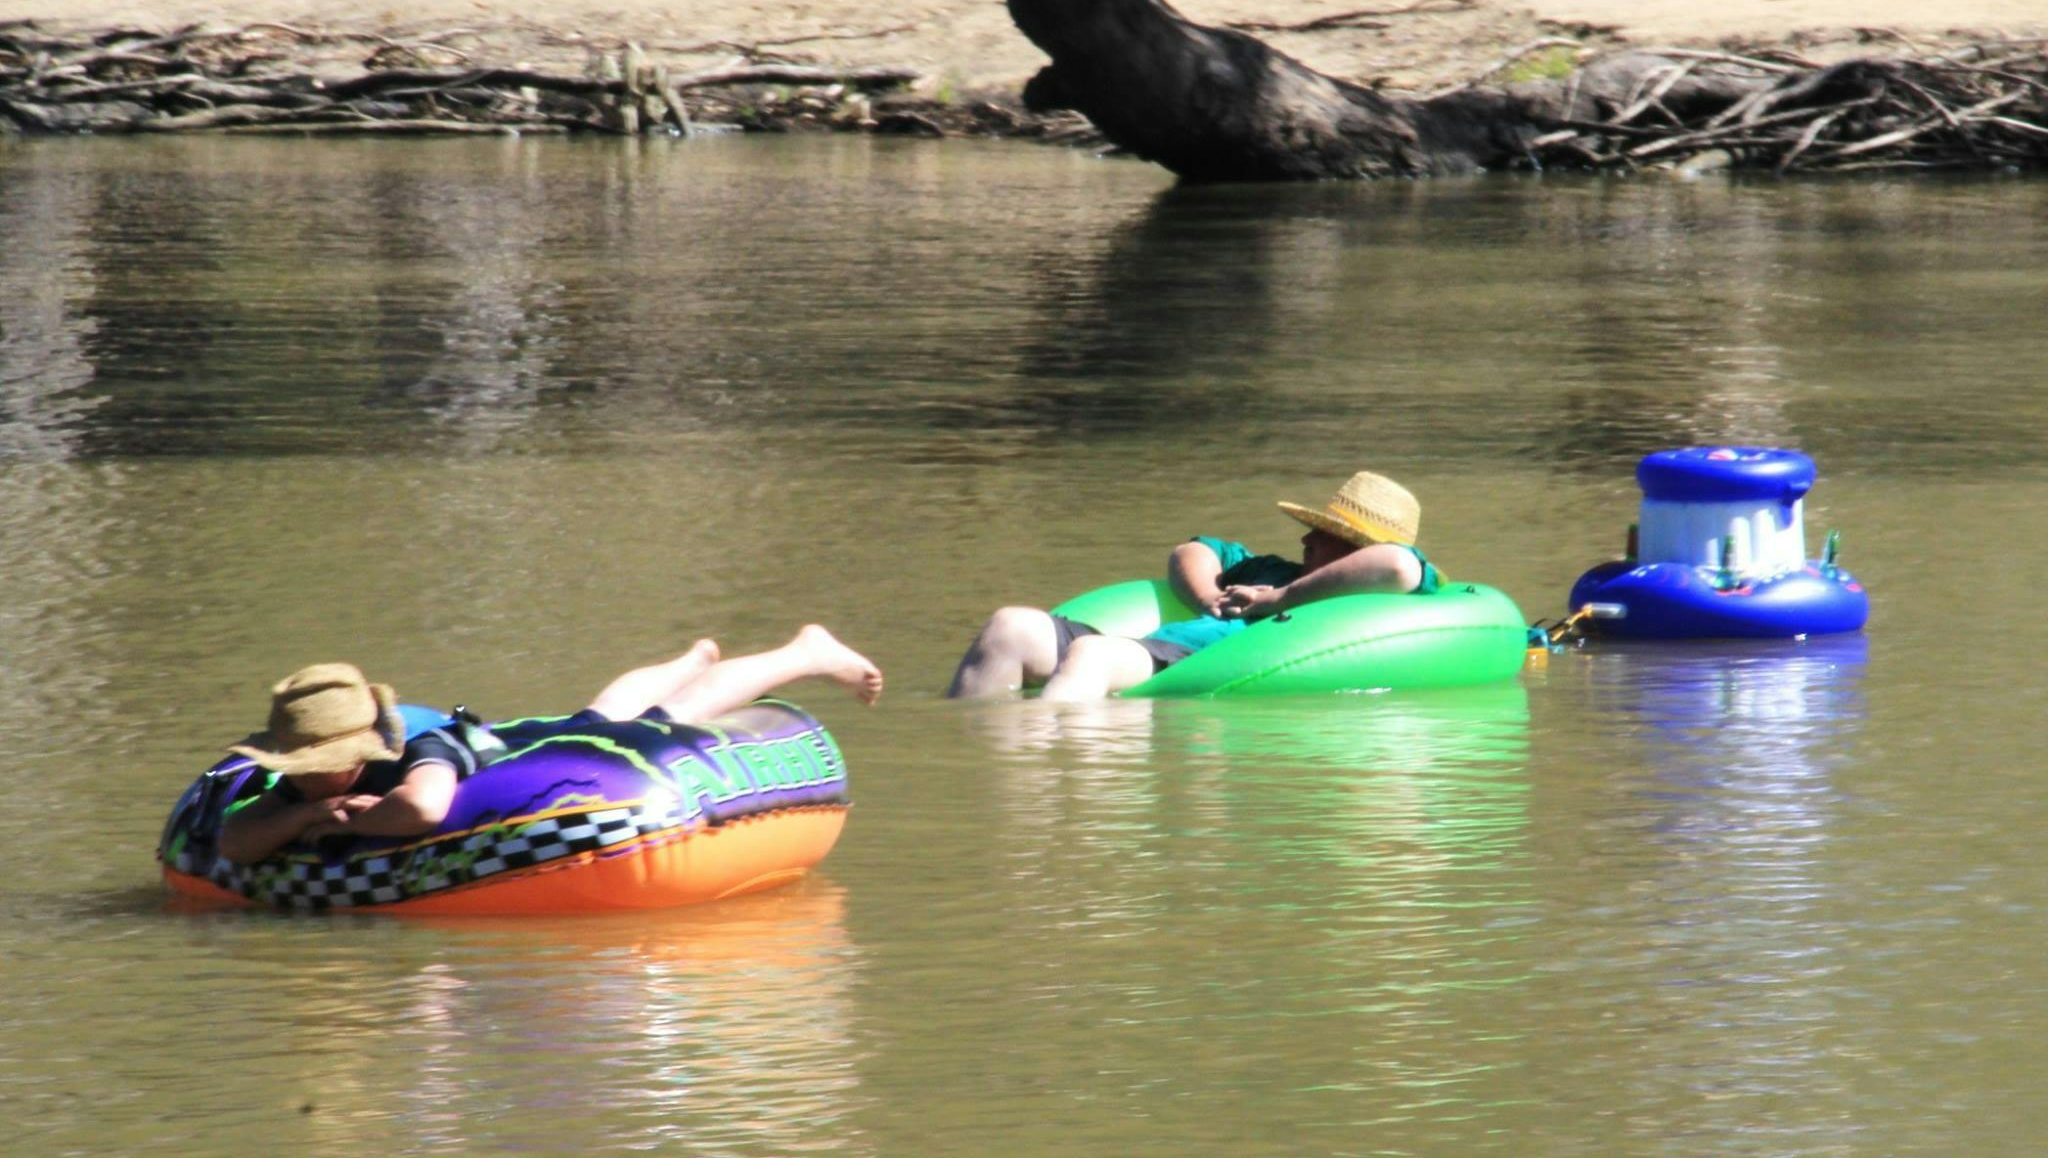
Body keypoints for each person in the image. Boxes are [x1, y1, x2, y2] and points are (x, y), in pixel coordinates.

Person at [217, 625, 883, 865]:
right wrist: (309, 812)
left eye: (317, 767)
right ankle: (692, 656)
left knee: (667, 716)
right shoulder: (299, 788)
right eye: (297, 766)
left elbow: (422, 808)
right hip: (522, 737)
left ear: (358, 754)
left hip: (537, 755)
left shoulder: (422, 751)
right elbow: (234, 842)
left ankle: (805, 652)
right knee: (607, 709)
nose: (304, 776)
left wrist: (348, 821)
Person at [944, 471, 1443, 701]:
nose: (1306, 539)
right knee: (1011, 626)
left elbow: (1398, 564)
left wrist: (1276, 600)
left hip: (1193, 661)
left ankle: (1044, 783)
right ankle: (979, 769)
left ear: (1356, 551)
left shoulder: (1375, 598)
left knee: (1091, 655)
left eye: (1325, 535)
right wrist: (1208, 596)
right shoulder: (1269, 569)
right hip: (1150, 647)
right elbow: (1194, 550)